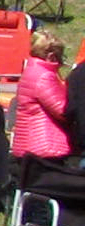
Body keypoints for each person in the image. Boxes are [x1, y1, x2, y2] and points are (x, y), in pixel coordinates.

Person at [13, 29, 70, 190]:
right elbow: (62, 110)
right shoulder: (45, 76)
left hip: (27, 143)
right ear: (51, 56)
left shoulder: (31, 71)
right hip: (44, 145)